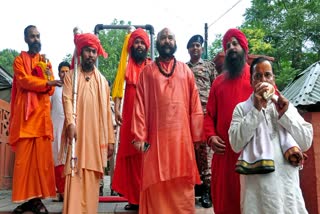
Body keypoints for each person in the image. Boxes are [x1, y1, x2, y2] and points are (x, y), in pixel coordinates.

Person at [131, 27, 203, 214]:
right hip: (156, 142)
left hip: (182, 141)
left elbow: (195, 105)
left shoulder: (186, 71)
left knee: (182, 185)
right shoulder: (147, 72)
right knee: (156, 185)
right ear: (158, 43)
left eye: (170, 37)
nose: (167, 41)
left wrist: (197, 137)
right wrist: (139, 136)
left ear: (175, 42)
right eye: (163, 38)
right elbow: (139, 106)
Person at [228, 57, 313, 213]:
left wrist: (285, 115)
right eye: (257, 76)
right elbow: (235, 144)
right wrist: (256, 110)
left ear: (273, 80)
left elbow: (306, 141)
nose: (263, 80)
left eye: (267, 75)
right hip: (257, 194)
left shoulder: (285, 105)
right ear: (251, 81)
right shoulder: (241, 109)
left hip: (287, 191)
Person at [9, 25, 63, 214]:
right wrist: (46, 83)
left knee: (41, 164)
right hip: (25, 120)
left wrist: (48, 83)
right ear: (25, 39)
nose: (36, 39)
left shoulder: (46, 62)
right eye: (32, 36)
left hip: (41, 119)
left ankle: (37, 199)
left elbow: (51, 88)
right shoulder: (18, 61)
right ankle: (27, 200)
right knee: (23, 164)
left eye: (38, 36)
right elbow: (23, 80)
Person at [61, 32, 115, 213]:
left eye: (94, 51)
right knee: (74, 174)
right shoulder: (70, 77)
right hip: (76, 136)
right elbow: (67, 99)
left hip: (94, 139)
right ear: (80, 52)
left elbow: (107, 113)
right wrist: (70, 123)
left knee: (91, 179)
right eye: (87, 51)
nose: (91, 55)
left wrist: (110, 140)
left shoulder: (102, 81)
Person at [204, 28, 252, 214]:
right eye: (227, 45)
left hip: (251, 154)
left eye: (235, 43)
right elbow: (209, 116)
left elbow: (277, 110)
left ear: (244, 47)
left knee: (250, 203)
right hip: (223, 155)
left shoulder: (257, 77)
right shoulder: (218, 82)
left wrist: (289, 146)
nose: (231, 48)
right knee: (225, 204)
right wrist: (211, 137)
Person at [111, 28, 152, 210]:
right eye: (136, 42)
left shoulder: (152, 66)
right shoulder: (125, 65)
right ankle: (134, 199)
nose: (140, 45)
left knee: (146, 157)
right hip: (128, 117)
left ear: (147, 46)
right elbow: (119, 87)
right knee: (131, 158)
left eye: (142, 42)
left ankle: (147, 198)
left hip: (147, 118)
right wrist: (117, 109)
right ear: (132, 45)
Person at [186, 34, 218, 208]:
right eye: (192, 46)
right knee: (189, 153)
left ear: (202, 48)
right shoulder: (182, 68)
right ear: (188, 49)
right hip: (188, 116)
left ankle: (207, 191)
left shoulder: (209, 66)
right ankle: (193, 189)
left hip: (205, 114)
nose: (195, 48)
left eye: (198, 45)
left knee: (206, 154)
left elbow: (217, 88)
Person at [51, 61, 70, 202]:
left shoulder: (73, 89)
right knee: (58, 160)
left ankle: (70, 191)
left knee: (69, 159)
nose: (64, 74)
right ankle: (61, 191)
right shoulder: (53, 90)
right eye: (62, 71)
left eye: (67, 71)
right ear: (58, 73)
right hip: (56, 129)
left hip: (70, 129)